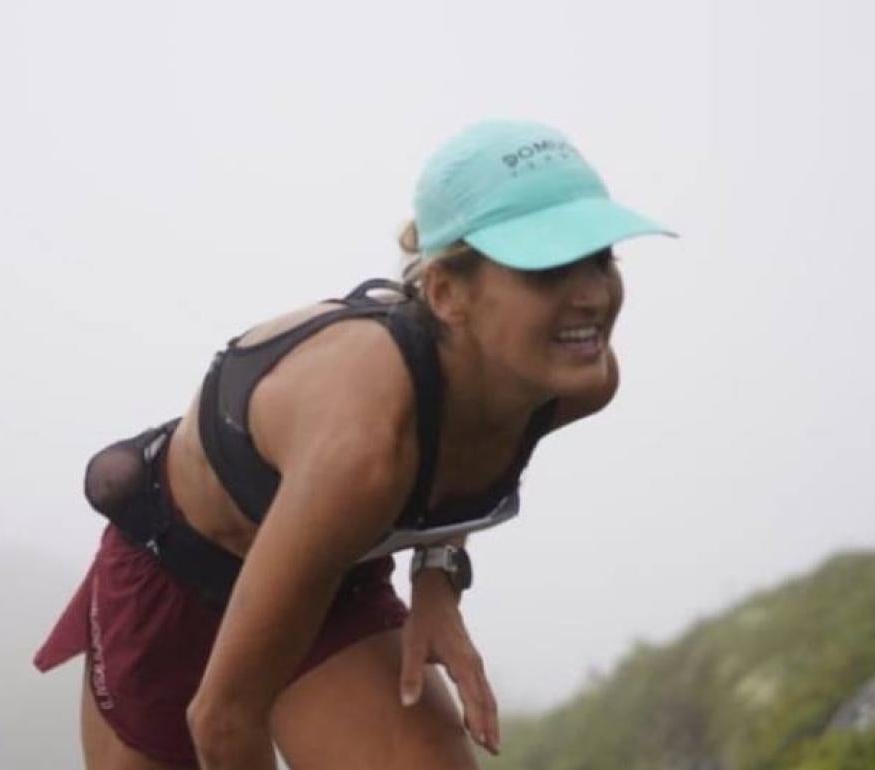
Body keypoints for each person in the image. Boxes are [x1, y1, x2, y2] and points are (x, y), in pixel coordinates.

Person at [34, 119, 674, 770]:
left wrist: (438, 577)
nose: (593, 296)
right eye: (547, 269)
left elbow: (473, 439)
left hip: (331, 574)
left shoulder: (572, 380)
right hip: (174, 573)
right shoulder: (364, 446)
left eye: (601, 259)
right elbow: (223, 718)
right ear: (447, 293)